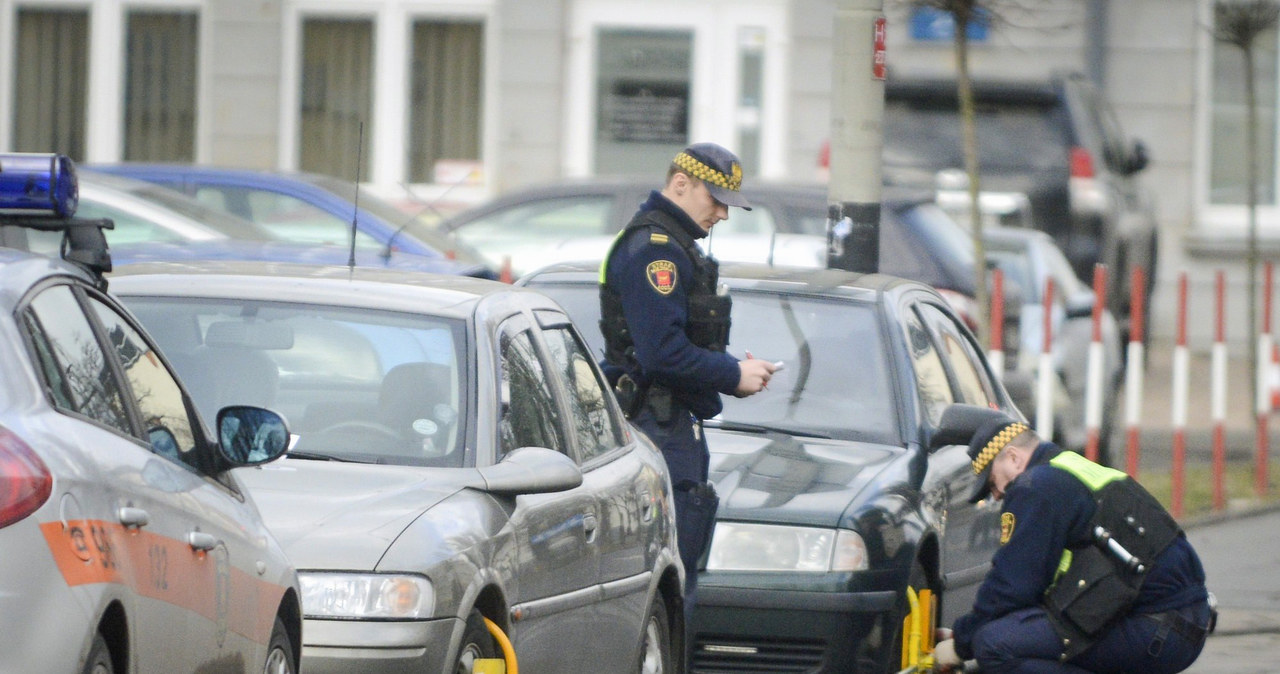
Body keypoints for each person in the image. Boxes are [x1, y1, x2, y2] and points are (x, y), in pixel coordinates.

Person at [598, 142, 775, 632]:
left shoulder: (675, 247)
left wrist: (730, 375)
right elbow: (662, 354)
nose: (721, 213)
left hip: (670, 423)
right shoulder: (655, 251)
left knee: (681, 575)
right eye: (714, 199)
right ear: (681, 183)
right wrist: (731, 375)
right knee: (672, 584)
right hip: (655, 427)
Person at [931, 405, 1212, 674]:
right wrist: (967, 630)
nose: (996, 496)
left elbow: (1013, 584)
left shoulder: (1034, 487)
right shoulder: (1069, 470)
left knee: (994, 645)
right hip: (1181, 623)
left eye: (993, 483)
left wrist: (962, 643)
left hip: (1154, 629)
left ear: (1014, 458)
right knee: (1010, 634)